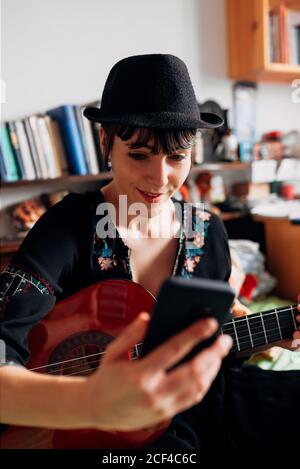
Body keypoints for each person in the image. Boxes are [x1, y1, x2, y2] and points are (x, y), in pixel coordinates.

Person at [0, 54, 299, 449]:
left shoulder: (206, 231)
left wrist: (274, 336)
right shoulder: (68, 227)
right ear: (106, 142)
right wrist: (93, 402)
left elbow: (208, 344)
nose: (160, 179)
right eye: (139, 155)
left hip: (203, 398)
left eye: (177, 157)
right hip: (93, 424)